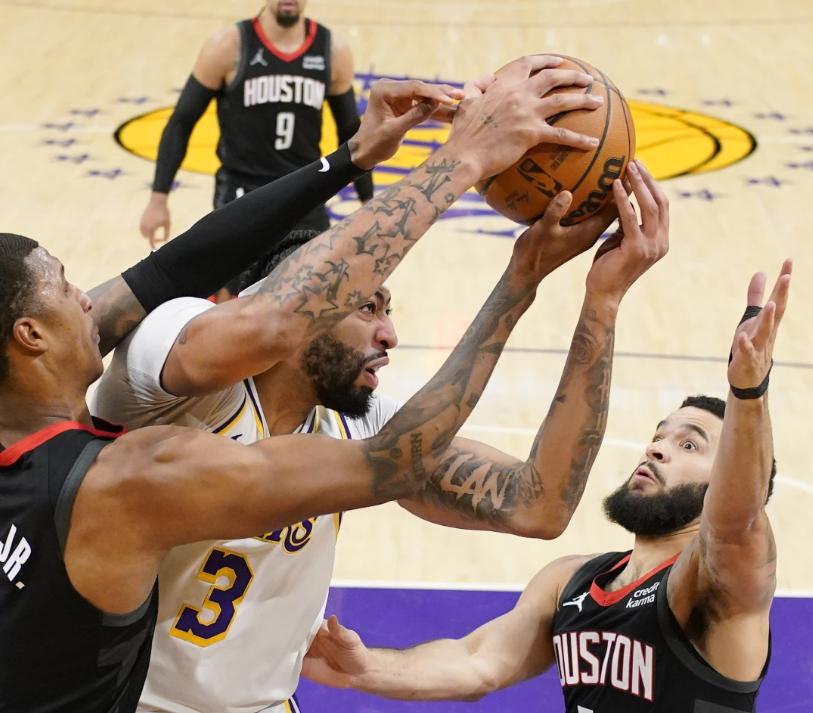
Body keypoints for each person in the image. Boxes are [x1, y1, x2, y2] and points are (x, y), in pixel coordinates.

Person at [0, 67, 581, 713]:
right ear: (31, 335)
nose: (91, 300)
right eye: (66, 287)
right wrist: (467, 173)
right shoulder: (123, 480)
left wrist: (347, 158)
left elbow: (168, 266)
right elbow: (368, 432)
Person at [92, 92, 664, 713]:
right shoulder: (164, 371)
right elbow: (271, 323)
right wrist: (460, 160)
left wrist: (592, 303)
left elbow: (536, 506)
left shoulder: (362, 432)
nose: (388, 334)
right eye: (369, 306)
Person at [301, 260, 793, 713]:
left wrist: (748, 392)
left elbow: (735, 519)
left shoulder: (720, 581)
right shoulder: (569, 581)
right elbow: (479, 662)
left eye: (690, 446)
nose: (657, 449)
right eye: (659, 435)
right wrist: (368, 668)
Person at [140, 0, 374, 255]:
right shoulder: (229, 47)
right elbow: (181, 122)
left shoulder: (332, 51)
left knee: (313, 289)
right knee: (237, 291)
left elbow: (351, 132)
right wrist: (158, 198)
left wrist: (368, 204)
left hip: (304, 190)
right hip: (241, 193)